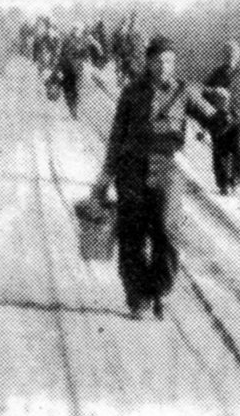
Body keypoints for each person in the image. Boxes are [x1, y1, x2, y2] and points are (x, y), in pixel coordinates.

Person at [88, 36, 217, 320]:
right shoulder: (131, 92)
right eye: (158, 60)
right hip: (131, 168)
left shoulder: (184, 91)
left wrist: (223, 116)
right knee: (131, 234)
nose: (164, 66)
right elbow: (116, 137)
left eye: (169, 61)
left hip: (166, 167)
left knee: (168, 230)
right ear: (148, 61)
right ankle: (137, 297)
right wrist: (106, 175)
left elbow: (211, 117)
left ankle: (158, 286)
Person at [202, 40, 240, 195]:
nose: (230, 57)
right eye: (227, 54)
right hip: (219, 119)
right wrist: (214, 94)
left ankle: (235, 179)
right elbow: (203, 94)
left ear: (238, 56)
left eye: (233, 54)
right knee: (220, 151)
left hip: (239, 119)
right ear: (223, 56)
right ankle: (222, 184)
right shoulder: (215, 74)